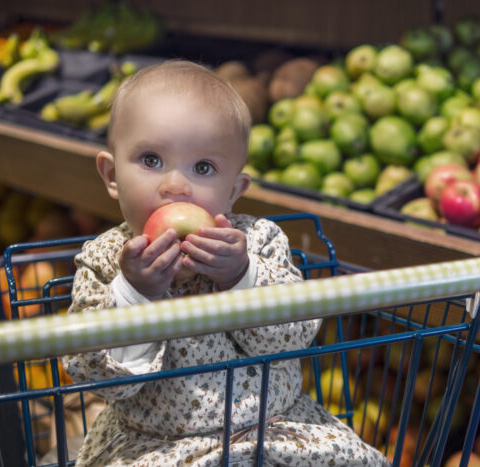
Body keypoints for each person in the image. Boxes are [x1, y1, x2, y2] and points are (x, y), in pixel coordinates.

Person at [62, 60, 389, 466]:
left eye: (203, 168)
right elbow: (96, 375)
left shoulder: (258, 241)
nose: (175, 185)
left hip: (276, 431)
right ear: (112, 175)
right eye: (150, 160)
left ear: (234, 190)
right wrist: (134, 293)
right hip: (158, 446)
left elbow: (296, 332)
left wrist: (241, 275)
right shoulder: (105, 262)